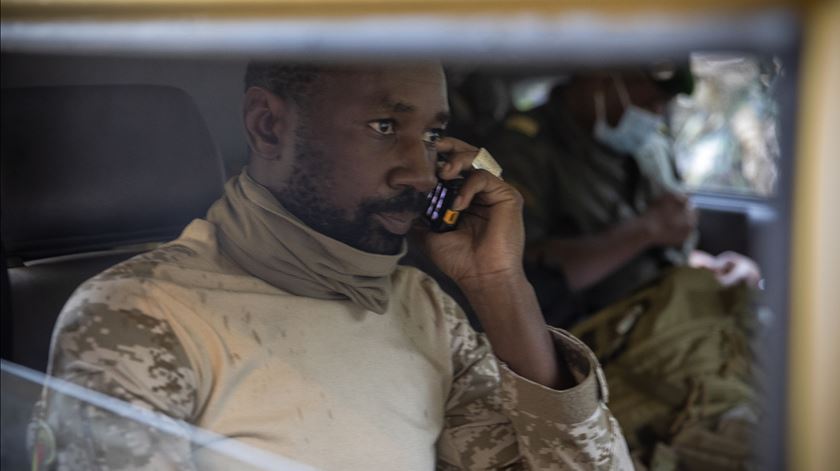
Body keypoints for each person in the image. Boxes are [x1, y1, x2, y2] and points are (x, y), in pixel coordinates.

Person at [31, 63, 632, 470]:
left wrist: (501, 289)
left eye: (431, 135)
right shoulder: (141, 315)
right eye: (383, 126)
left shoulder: (423, 309)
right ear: (270, 126)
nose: (420, 174)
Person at [486, 68, 761, 468]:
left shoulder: (648, 142)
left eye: (662, 104)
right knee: (746, 434)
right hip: (612, 336)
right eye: (648, 100)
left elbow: (664, 255)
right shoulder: (523, 150)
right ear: (597, 78)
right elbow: (523, 276)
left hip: (679, 308)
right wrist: (645, 230)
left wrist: (717, 266)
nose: (655, 113)